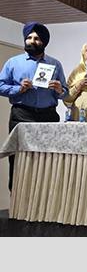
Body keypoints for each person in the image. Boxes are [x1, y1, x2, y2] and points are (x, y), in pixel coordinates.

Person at [0, 22, 68, 191]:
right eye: (29, 38)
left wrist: (60, 90)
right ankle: (17, 197)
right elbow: (0, 85)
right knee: (18, 157)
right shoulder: (13, 62)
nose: (31, 41)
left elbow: (65, 93)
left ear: (43, 42)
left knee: (48, 157)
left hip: (48, 117)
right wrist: (18, 89)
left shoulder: (55, 64)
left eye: (36, 38)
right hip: (22, 115)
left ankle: (45, 197)